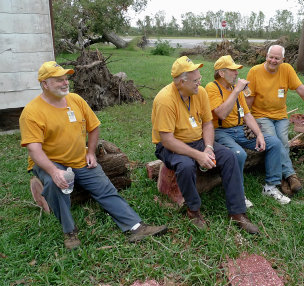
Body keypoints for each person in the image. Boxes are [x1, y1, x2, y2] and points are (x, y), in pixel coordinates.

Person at [19, 61, 167, 250]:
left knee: (105, 188)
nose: (65, 83)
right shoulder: (32, 112)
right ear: (44, 84)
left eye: (66, 79)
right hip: (50, 162)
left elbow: (94, 126)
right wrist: (54, 172)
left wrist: (91, 153)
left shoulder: (75, 100)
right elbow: (34, 149)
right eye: (58, 80)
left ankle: (135, 228)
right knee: (55, 185)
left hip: (80, 158)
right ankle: (69, 232)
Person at [151, 56, 259, 234]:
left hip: (198, 141)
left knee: (230, 157)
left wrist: (208, 147)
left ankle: (237, 212)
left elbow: (208, 124)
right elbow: (167, 140)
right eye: (195, 81)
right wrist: (198, 155)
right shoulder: (165, 100)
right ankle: (193, 211)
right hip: (171, 145)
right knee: (185, 165)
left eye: (199, 79)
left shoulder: (199, 93)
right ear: (181, 82)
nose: (199, 83)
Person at [246, 45, 304, 195]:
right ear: (266, 56)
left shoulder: (286, 69)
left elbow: (301, 89)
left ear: (283, 59)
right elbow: (249, 98)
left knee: (284, 142)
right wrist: (246, 120)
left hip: (280, 116)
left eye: (277, 58)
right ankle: (288, 176)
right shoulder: (254, 72)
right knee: (275, 143)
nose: (273, 60)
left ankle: (284, 178)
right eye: (270, 57)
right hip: (261, 116)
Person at [205, 55, 291, 205]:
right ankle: (238, 194)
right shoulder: (212, 88)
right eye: (233, 70)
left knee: (274, 143)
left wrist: (259, 134)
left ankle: (271, 186)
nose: (237, 73)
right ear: (221, 73)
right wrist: (237, 91)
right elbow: (221, 114)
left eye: (237, 70)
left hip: (240, 129)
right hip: (221, 131)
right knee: (238, 154)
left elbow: (247, 114)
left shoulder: (235, 90)